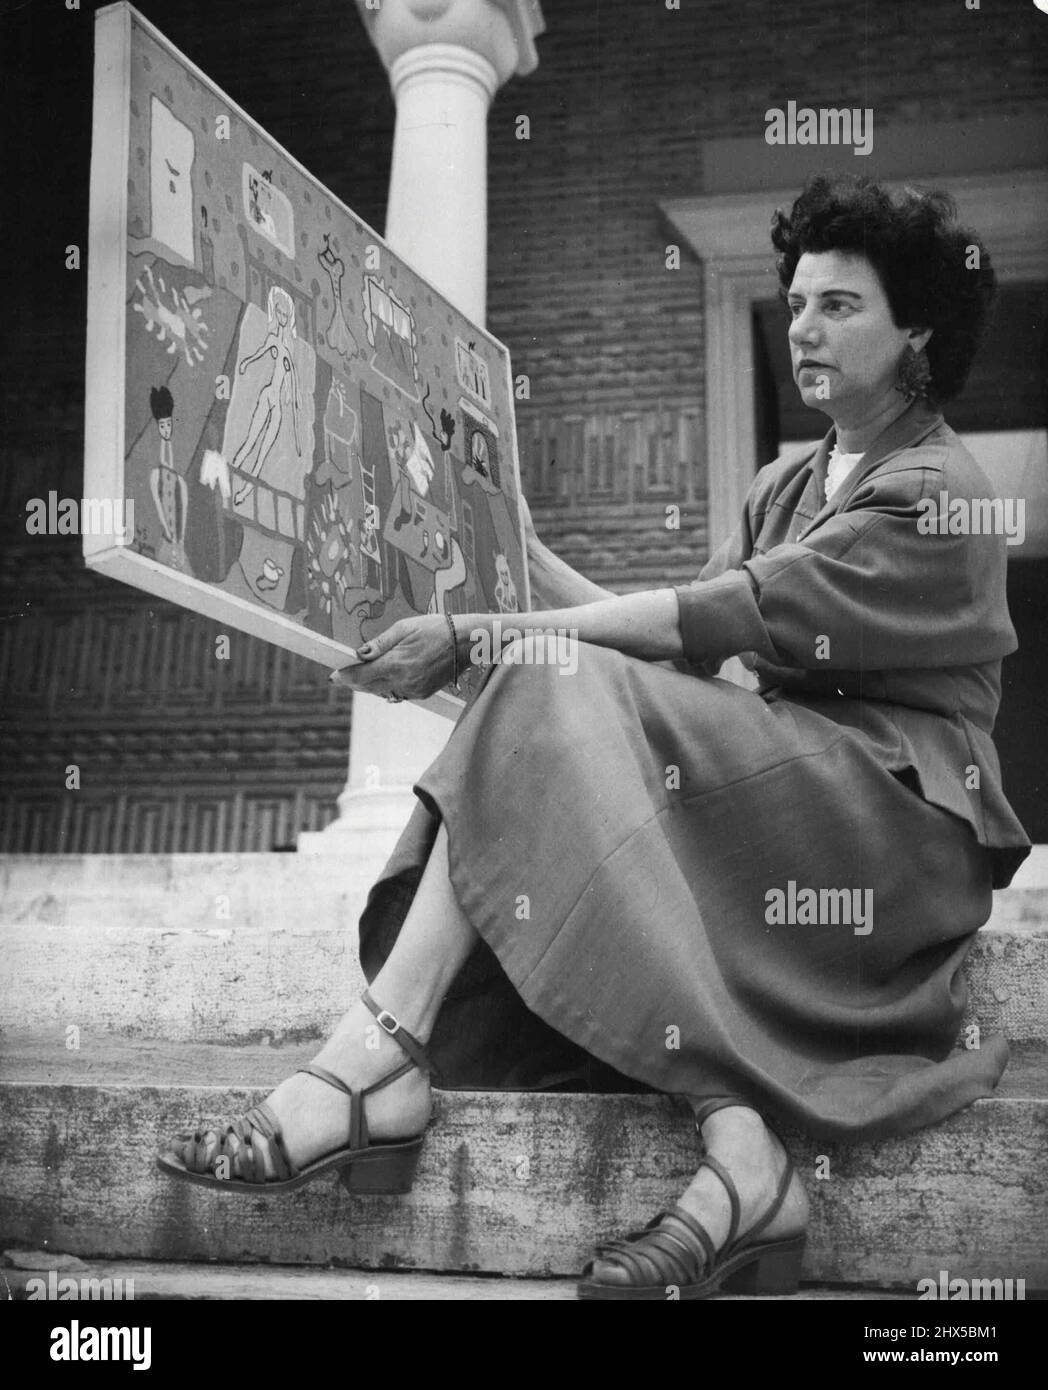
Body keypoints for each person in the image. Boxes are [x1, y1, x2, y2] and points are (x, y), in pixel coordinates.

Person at [158, 175, 1031, 1300]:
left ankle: (375, 1062)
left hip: (887, 833)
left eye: (839, 307)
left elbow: (708, 621)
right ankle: (717, 1156)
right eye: (797, 301)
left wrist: (488, 627)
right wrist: (511, 544)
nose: (802, 327)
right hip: (776, 792)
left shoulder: (936, 492)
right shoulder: (789, 483)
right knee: (557, 685)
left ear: (915, 328)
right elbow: (677, 643)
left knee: (546, 668)